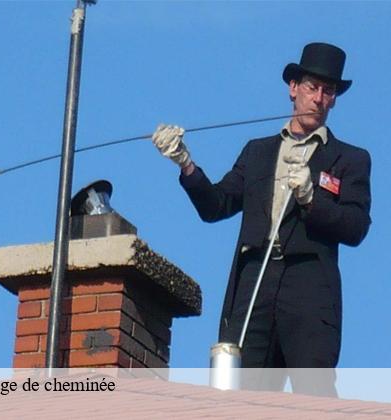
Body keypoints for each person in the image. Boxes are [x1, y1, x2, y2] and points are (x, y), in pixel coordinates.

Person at [152, 42, 372, 396]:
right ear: (293, 88)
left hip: (310, 285)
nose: (318, 98)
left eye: (328, 91)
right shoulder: (258, 152)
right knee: (241, 395)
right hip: (255, 276)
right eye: (312, 87)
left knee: (312, 397)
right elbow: (216, 206)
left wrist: (311, 199)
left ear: (334, 99)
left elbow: (356, 226)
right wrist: (186, 164)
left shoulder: (349, 158)